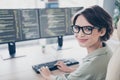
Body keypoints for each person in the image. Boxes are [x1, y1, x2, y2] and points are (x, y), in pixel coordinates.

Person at [40, 5, 114, 80]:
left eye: (88, 29)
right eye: (77, 27)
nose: (80, 34)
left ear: (102, 31)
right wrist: (71, 70)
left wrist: (49, 76)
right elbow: (91, 72)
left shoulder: (92, 64)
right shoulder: (106, 50)